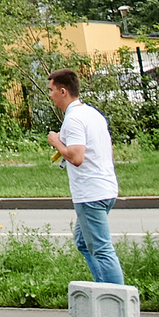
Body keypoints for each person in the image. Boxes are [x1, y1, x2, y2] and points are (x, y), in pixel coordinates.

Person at [48, 69, 124, 285]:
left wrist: (56, 142)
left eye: (51, 91)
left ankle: (115, 300)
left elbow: (77, 157)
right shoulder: (92, 114)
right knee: (83, 241)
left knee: (102, 249)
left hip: (90, 194)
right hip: (106, 188)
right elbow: (107, 146)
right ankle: (103, 290)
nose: (50, 95)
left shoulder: (73, 119)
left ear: (63, 91)